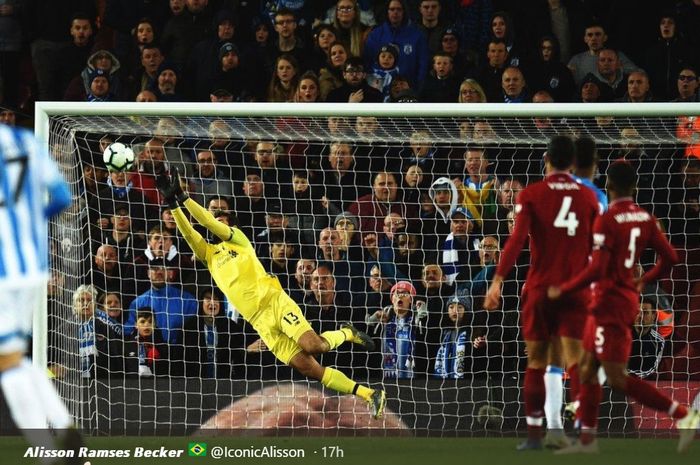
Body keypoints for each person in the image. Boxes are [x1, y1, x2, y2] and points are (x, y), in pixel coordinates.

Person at [156, 169, 387, 418]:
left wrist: (183, 197)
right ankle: (370, 394)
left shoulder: (239, 241)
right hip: (259, 322)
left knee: (314, 345)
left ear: (230, 224)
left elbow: (207, 222)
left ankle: (347, 332)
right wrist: (173, 203)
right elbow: (190, 234)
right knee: (311, 370)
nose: (218, 224)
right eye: (217, 221)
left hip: (274, 302)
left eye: (223, 221)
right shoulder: (209, 255)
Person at [547, 160, 699, 454]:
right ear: (635, 187)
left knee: (615, 376)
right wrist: (642, 282)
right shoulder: (644, 218)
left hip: (609, 302)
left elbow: (599, 268)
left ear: (610, 187)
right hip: (623, 298)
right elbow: (670, 258)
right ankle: (587, 440)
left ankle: (683, 415)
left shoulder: (607, 219)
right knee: (589, 366)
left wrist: (566, 288)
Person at [484, 135, 600, 450]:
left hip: (540, 289)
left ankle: (536, 435)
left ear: (546, 161)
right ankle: (585, 432)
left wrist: (498, 280)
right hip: (576, 290)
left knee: (537, 361)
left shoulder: (532, 194)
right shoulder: (588, 197)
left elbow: (517, 239)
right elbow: (597, 249)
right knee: (575, 360)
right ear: (573, 163)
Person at [0, 125, 82, 458]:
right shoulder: (25, 141)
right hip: (33, 264)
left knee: (7, 364)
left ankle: (46, 452)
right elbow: (62, 197)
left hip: (3, 270)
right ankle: (65, 430)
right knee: (15, 358)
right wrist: (32, 220)